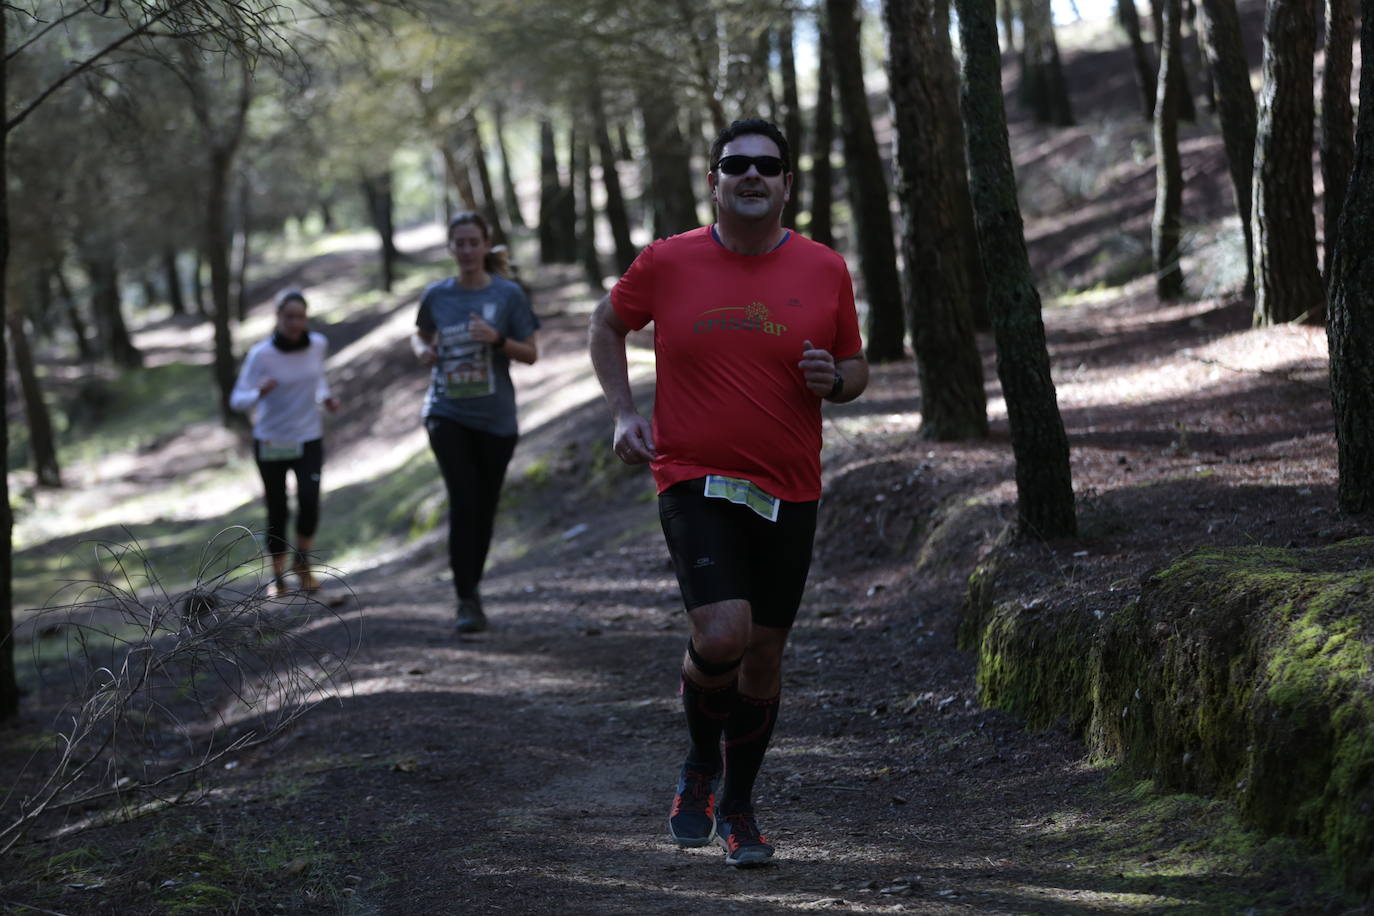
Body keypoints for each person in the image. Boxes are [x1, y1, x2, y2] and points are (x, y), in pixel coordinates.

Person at [588, 118, 869, 867]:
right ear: (713, 180)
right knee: (722, 635)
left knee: (765, 657)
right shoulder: (668, 261)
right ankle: (698, 763)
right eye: (735, 164)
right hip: (692, 477)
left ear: (785, 184)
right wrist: (623, 411)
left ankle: (740, 806)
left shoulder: (824, 268)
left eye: (767, 166)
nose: (752, 175)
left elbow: (854, 365)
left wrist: (834, 382)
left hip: (790, 487)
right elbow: (606, 323)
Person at [412, 211, 539, 633]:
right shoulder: (437, 295)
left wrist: (498, 340)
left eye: (473, 242)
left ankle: (472, 588)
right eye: (459, 243)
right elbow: (421, 335)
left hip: (497, 420)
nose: (466, 250)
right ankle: (466, 599)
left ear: (486, 246)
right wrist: (422, 351)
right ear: (450, 249)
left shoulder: (508, 295)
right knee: (464, 500)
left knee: (482, 510)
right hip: (446, 412)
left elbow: (531, 353)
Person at [231, 288, 341, 595]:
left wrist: (326, 397)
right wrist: (258, 394)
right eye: (289, 316)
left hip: (308, 437)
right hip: (272, 440)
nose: (295, 323)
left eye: (301, 316)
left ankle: (302, 563)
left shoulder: (318, 344)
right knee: (278, 508)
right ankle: (277, 576)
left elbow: (317, 377)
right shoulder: (261, 355)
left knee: (309, 500)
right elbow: (237, 399)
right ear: (278, 318)